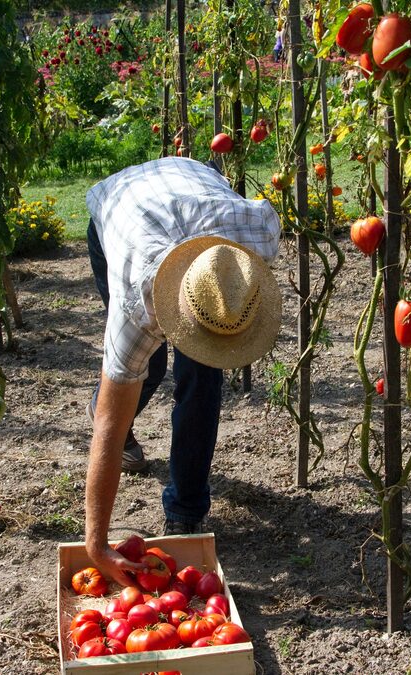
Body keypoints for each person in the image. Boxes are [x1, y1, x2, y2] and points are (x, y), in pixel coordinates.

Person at [83, 156, 282, 586]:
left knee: (203, 379)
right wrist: (96, 546)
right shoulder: (137, 305)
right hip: (119, 210)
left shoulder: (251, 246)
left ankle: (185, 511)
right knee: (143, 371)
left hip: (189, 182)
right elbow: (107, 427)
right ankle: (113, 405)